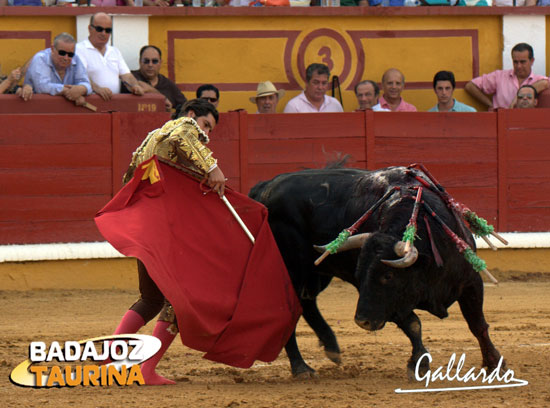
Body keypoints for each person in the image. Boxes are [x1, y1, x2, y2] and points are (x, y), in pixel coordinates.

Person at [112, 98, 225, 385]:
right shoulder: (181, 127)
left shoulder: (152, 140)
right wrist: (211, 166)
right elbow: (183, 134)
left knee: (151, 299)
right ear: (190, 114)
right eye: (205, 125)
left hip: (145, 226)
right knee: (178, 302)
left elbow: (129, 178)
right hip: (163, 230)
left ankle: (108, 359)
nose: (206, 135)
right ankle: (146, 370)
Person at [75, 12, 144, 101]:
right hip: (90, 103)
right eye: (99, 29)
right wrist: (98, 89)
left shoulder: (114, 51)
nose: (103, 33)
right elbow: (80, 76)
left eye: (108, 30)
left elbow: (126, 75)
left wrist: (135, 86)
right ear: (90, 29)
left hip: (114, 103)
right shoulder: (79, 49)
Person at [465, 43, 548, 110]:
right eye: (515, 62)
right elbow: (470, 86)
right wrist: (490, 105)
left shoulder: (538, 79)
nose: (518, 66)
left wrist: (517, 97)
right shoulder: (499, 76)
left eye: (523, 62)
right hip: (502, 124)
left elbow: (546, 83)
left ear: (532, 61)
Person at [18, 33, 91, 105]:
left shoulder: (76, 59)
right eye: (62, 53)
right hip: (39, 108)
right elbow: (42, 87)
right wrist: (68, 91)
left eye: (70, 54)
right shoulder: (41, 58)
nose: (66, 58)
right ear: (52, 49)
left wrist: (81, 89)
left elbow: (86, 83)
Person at [121, 45, 187, 112]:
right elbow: (139, 84)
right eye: (146, 61)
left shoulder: (168, 84)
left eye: (154, 61)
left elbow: (186, 107)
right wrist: (163, 99)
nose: (150, 65)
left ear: (160, 63)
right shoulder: (131, 77)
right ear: (140, 62)